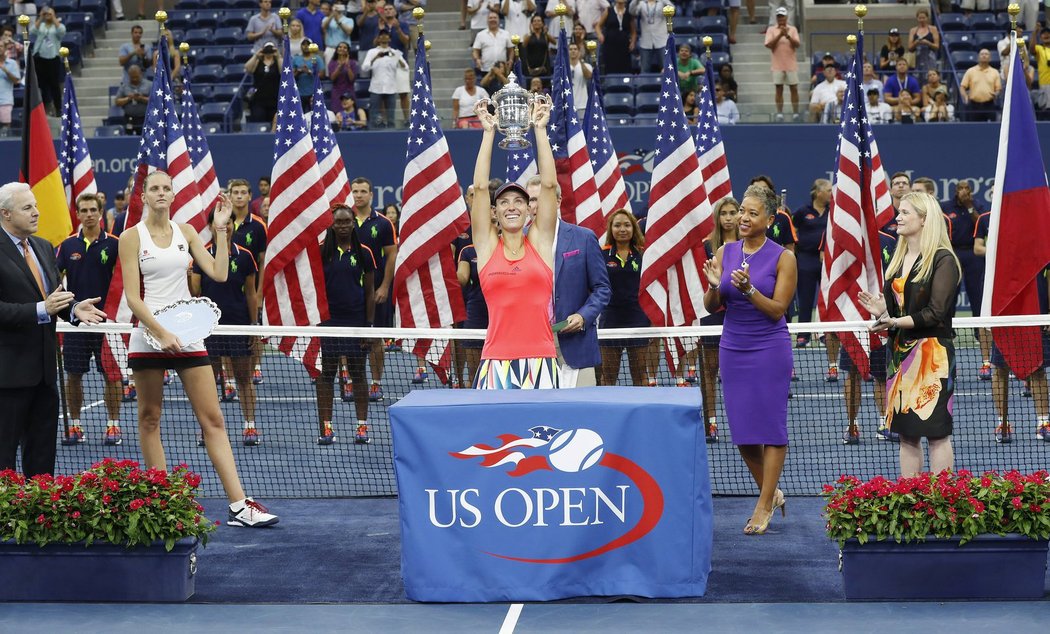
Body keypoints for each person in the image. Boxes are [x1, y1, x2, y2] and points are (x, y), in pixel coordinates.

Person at [117, 170, 278, 527]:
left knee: (214, 419)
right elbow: (132, 297)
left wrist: (221, 230)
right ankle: (159, 500)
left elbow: (219, 274)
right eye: (154, 188)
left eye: (166, 188)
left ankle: (239, 506)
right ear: (144, 196)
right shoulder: (130, 237)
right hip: (148, 335)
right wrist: (159, 331)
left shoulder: (187, 232)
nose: (161, 192)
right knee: (149, 418)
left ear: (173, 195)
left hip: (186, 335)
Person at [702, 184, 796, 535]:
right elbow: (712, 306)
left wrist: (749, 290)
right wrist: (714, 286)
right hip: (733, 345)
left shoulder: (783, 257)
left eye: (753, 213)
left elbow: (777, 310)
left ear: (770, 220)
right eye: (742, 210)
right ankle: (772, 493)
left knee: (770, 429)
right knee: (742, 432)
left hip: (769, 347)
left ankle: (763, 502)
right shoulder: (725, 251)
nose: (743, 217)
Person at [1, 183, 107, 476]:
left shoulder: (44, 246)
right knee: (4, 458)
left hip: (46, 375)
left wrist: (72, 309)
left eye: (35, 205)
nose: (37, 212)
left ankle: (38, 516)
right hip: (7, 377)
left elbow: (53, 296)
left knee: (42, 457)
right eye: (27, 208)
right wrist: (41, 310)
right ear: (5, 214)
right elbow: (36, 306)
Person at [858, 192, 961, 477]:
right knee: (907, 434)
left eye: (905, 213)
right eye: (899, 212)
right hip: (900, 357)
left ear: (924, 219)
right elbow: (896, 312)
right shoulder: (898, 258)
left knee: (937, 433)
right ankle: (910, 501)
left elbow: (935, 313)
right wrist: (882, 311)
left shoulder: (944, 260)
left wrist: (893, 319)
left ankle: (942, 503)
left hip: (933, 355)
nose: (898, 217)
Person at [470, 98, 559, 389]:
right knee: (495, 435)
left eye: (519, 201)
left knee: (545, 435)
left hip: (542, 363)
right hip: (496, 364)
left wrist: (540, 130)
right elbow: (481, 188)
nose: (511, 206)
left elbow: (548, 185)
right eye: (504, 201)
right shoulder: (486, 247)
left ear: (528, 209)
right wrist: (488, 133)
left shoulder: (540, 242)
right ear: (493, 212)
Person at [524, 175, 610, 388]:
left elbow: (602, 288)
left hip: (576, 344)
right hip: (530, 345)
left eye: (543, 198)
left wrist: (583, 316)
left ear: (558, 201)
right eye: (532, 200)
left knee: (582, 413)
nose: (537, 205)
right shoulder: (516, 241)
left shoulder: (584, 237)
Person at [55, 193, 123, 446]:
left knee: (112, 376)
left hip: (109, 323)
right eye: (84, 210)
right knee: (73, 374)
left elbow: (127, 281)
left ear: (100, 211)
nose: (89, 214)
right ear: (78, 214)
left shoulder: (115, 244)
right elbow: (53, 279)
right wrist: (67, 308)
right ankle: (74, 425)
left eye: (93, 209)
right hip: (77, 324)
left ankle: (113, 426)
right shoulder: (68, 245)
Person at [189, 208, 261, 446]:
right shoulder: (202, 255)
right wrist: (190, 276)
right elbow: (196, 293)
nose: (226, 226)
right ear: (211, 227)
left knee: (243, 378)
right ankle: (205, 429)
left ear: (233, 226)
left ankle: (250, 426)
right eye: (221, 223)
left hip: (238, 325)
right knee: (207, 382)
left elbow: (251, 293)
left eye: (230, 223)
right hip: (208, 328)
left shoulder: (246, 256)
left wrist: (253, 325)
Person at [315, 204, 376, 445]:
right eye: (338, 222)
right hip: (328, 323)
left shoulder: (364, 253)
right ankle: (326, 427)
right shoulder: (321, 252)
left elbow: (370, 292)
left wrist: (369, 326)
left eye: (346, 222)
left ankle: (362, 426)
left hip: (356, 322)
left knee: (359, 374)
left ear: (353, 223)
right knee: (326, 375)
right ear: (332, 224)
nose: (342, 226)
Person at [840, 228, 897, 445]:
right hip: (853, 317)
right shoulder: (847, 239)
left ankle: (885, 422)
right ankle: (852, 425)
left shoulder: (890, 241)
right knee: (853, 372)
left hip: (882, 315)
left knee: (882, 374)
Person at [348, 177, 397, 401]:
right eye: (355, 191)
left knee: (376, 338)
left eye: (363, 191)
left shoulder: (384, 223)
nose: (358, 195)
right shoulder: (342, 220)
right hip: (347, 290)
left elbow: (391, 255)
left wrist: (385, 286)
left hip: (375, 290)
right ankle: (349, 380)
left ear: (371, 195)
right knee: (346, 337)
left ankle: (376, 383)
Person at [698, 196, 739, 442]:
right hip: (714, 313)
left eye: (732, 212)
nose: (728, 217)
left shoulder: (750, 244)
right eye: (723, 213)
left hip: (741, 314)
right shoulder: (707, 245)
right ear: (717, 217)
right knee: (710, 370)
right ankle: (711, 422)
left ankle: (740, 420)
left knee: (736, 372)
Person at [942, 179, 992, 381]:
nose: (963, 191)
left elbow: (980, 225)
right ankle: (947, 362)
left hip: (973, 256)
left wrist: (970, 206)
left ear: (970, 191)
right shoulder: (946, 207)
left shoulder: (977, 206)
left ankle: (986, 362)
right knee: (948, 303)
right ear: (955, 191)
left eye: (967, 188)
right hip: (952, 254)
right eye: (960, 188)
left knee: (979, 302)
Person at [597, 209, 647, 387]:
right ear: (611, 229)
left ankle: (641, 414)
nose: (622, 229)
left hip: (638, 319)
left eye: (627, 225)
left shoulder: (643, 255)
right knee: (608, 377)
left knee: (640, 376)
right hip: (611, 320)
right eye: (617, 225)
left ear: (634, 228)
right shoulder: (601, 254)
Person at [792, 178, 830, 348]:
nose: (831, 194)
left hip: (827, 260)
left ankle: (825, 334)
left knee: (827, 298)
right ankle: (803, 335)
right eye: (828, 190)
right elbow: (791, 229)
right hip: (806, 260)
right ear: (818, 193)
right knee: (806, 299)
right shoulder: (802, 212)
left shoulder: (833, 211)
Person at [456, 238, 489, 387]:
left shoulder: (508, 246)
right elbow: (462, 278)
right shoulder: (468, 251)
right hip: (476, 309)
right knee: (474, 373)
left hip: (503, 310)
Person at [361, 30, 408, 128]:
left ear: (389, 38)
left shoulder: (395, 52)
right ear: (378, 38)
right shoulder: (372, 52)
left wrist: (397, 57)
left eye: (386, 35)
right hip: (376, 87)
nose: (383, 37)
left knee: (391, 117)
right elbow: (364, 68)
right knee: (375, 116)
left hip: (391, 88)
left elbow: (405, 67)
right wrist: (375, 58)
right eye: (381, 35)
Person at [764, 7, 800, 122]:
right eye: (779, 16)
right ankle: (779, 112)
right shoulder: (771, 30)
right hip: (777, 65)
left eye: (782, 16)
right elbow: (769, 45)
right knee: (778, 88)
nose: (781, 18)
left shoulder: (793, 29)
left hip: (791, 64)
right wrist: (780, 34)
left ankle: (795, 113)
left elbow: (797, 44)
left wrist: (788, 36)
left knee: (793, 88)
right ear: (776, 17)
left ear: (786, 17)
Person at [30, 6, 65, 116]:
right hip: (40, 57)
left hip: (53, 57)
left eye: (49, 14)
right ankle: (45, 107)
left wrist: (53, 17)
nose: (47, 16)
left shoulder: (58, 25)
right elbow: (32, 30)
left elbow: (62, 32)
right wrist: (40, 17)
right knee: (42, 85)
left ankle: (58, 108)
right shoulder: (41, 25)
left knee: (54, 84)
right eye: (46, 14)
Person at [630, 0, 672, 74]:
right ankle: (644, 85)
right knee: (645, 70)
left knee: (666, 68)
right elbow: (632, 12)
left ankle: (667, 86)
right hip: (646, 41)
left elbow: (671, 11)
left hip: (662, 40)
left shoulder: (662, 2)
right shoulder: (642, 3)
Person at [245, 42, 282, 126]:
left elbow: (284, 71)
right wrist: (256, 55)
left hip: (274, 99)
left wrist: (278, 56)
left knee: (275, 123)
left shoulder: (277, 63)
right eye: (267, 49)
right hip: (259, 99)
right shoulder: (258, 62)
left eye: (271, 49)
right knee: (258, 121)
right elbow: (247, 68)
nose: (269, 51)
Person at [960, 49, 1001, 122]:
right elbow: (962, 87)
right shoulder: (971, 71)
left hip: (989, 105)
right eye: (982, 54)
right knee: (973, 129)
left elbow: (998, 89)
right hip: (973, 105)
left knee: (991, 129)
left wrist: (996, 94)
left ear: (990, 58)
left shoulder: (995, 72)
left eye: (986, 54)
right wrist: (965, 96)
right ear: (978, 57)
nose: (984, 55)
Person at [600, 0, 635, 75]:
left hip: (624, 46)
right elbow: (598, 26)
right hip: (610, 45)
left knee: (625, 68)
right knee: (610, 67)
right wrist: (600, 35)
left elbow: (633, 32)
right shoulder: (609, 10)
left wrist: (633, 42)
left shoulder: (629, 13)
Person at [115, 65, 150, 135]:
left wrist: (141, 98)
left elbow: (154, 101)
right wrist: (129, 98)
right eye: (132, 77)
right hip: (129, 119)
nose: (134, 79)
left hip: (144, 118)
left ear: (141, 74)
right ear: (129, 75)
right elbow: (117, 101)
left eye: (136, 77)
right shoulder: (124, 86)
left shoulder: (149, 85)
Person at [293, 39, 325, 110]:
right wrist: (299, 71)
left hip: (314, 92)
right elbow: (291, 76)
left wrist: (309, 72)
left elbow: (322, 74)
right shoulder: (296, 58)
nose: (306, 46)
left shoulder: (317, 58)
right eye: (303, 44)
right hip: (299, 93)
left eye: (308, 44)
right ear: (301, 46)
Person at [327, 42, 358, 112]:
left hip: (349, 92)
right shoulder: (332, 63)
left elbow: (352, 79)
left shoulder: (352, 62)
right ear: (337, 49)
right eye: (340, 47)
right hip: (337, 93)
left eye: (345, 47)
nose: (342, 49)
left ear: (348, 50)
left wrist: (347, 66)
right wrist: (340, 67)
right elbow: (332, 78)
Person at [907, 9, 940, 75]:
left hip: (930, 57)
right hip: (917, 58)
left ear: (927, 18)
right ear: (917, 18)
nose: (922, 20)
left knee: (930, 75)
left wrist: (927, 43)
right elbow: (909, 47)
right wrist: (916, 43)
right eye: (920, 18)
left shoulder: (933, 29)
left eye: (923, 18)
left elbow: (937, 46)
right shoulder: (913, 30)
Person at [0, 51, 20, 131]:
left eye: (1, 46)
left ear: (5, 48)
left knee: (5, 128)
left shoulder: (12, 63)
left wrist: (5, 70)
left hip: (5, 101)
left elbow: (16, 81)